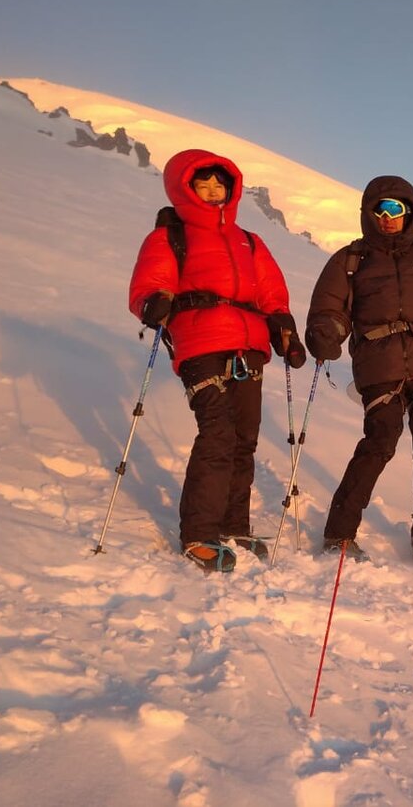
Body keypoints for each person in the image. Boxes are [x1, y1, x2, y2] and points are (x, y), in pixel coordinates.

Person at [129, 149, 305, 573]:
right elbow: (149, 282)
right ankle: (199, 533)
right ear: (184, 189)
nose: (212, 192)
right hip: (201, 342)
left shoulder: (249, 240)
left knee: (244, 438)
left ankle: (233, 526)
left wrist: (283, 326)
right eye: (202, 185)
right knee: (218, 433)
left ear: (231, 188)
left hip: (250, 345)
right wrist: (152, 302)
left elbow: (270, 290)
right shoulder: (171, 237)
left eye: (218, 185)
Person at [305, 175, 413, 561]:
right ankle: (339, 533)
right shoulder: (352, 259)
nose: (388, 216)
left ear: (410, 213)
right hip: (378, 364)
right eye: (380, 209)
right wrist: (325, 333)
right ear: (368, 213)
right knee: (380, 442)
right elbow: (330, 309)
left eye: (396, 209)